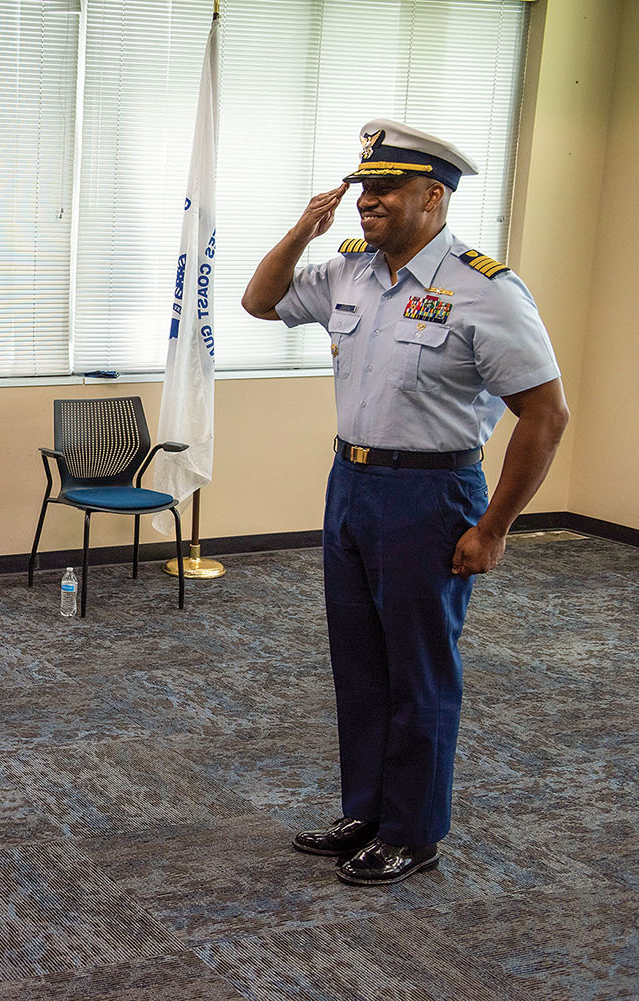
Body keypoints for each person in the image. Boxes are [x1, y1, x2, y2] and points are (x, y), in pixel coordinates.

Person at [242, 120, 568, 886]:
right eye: (363, 188)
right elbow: (260, 301)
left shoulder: (484, 289)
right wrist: (301, 229)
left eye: (387, 188)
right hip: (351, 484)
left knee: (419, 669)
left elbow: (546, 416)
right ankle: (369, 808)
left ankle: (413, 830)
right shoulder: (350, 271)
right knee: (359, 662)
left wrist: (494, 528)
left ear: (435, 195)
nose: (369, 201)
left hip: (432, 493)